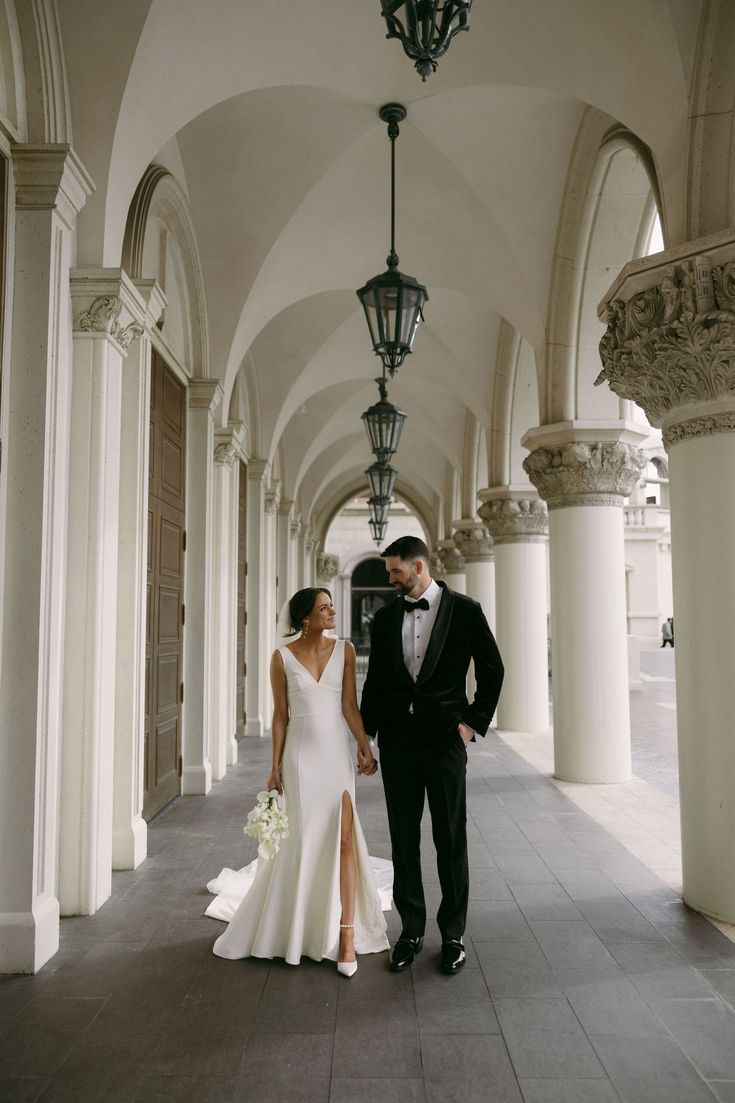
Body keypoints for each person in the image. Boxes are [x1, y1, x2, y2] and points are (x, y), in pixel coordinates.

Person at [206, 587, 390, 974]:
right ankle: (299, 927)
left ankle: (347, 935)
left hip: (335, 756)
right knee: (305, 841)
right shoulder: (282, 657)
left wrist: (365, 748)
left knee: (344, 840)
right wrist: (274, 768)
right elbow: (280, 716)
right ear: (305, 618)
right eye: (324, 608)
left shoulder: (346, 650)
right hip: (300, 758)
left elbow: (349, 706)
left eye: (331, 606)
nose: (332, 611)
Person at [361, 535, 504, 975]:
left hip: (445, 742)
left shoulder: (466, 610)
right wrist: (365, 737)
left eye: (395, 572)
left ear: (418, 568)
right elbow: (377, 681)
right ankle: (410, 931)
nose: (390, 580)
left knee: (450, 838)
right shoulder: (385, 619)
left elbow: (493, 668)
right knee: (404, 840)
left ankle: (454, 934)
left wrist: (471, 724)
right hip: (398, 743)